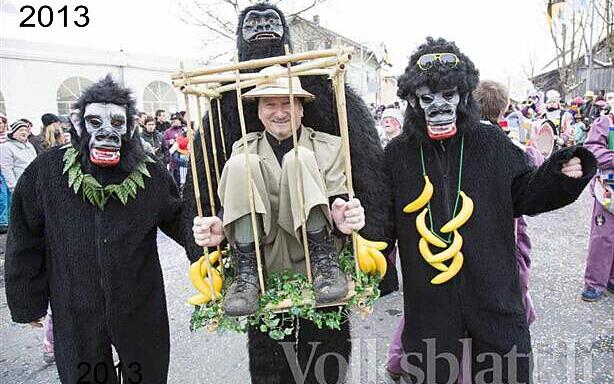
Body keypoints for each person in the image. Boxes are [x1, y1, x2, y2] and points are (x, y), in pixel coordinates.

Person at [384, 37, 595, 383]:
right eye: (427, 98)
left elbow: (526, 192)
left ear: (465, 96)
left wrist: (561, 176)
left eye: (448, 96)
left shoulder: (492, 143)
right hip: (429, 300)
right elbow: (383, 222)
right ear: (413, 101)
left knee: (506, 372)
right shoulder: (396, 155)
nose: (439, 107)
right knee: (433, 373)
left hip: (495, 293)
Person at [4, 76, 186, 384]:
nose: (105, 132)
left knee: (148, 375)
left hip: (139, 304)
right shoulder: (47, 172)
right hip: (75, 309)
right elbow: (24, 235)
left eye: (116, 122)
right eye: (94, 122)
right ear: (78, 122)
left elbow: (179, 219)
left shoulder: (152, 174)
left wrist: (211, 249)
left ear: (129, 128)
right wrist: (27, 300)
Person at [193, 65, 365, 315]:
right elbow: (235, 202)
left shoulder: (329, 147)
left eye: (288, 103)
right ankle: (246, 274)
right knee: (243, 164)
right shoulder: (243, 149)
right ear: (260, 112)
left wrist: (342, 215)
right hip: (265, 261)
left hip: (311, 260)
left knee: (299, 158)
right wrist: (220, 225)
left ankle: (324, 262)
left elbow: (337, 197)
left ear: (301, 108)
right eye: (270, 105)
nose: (280, 112)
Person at [581, 114, 614, 301]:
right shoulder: (606, 122)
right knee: (603, 237)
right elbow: (592, 150)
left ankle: (611, 278)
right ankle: (594, 282)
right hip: (608, 190)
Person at [0, 113, 9, 233]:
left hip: (5, 171)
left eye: (1, 122)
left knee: (6, 196)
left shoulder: (8, 137)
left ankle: (5, 220)